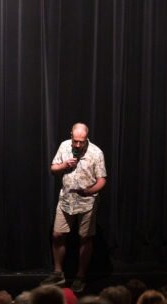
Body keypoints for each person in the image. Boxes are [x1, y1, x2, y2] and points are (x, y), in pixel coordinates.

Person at [41, 123, 106, 293]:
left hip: (87, 203)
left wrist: (89, 191)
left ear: (87, 138)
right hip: (66, 200)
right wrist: (64, 166)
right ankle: (58, 273)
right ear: (71, 135)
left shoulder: (96, 152)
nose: (77, 145)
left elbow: (102, 179)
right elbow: (53, 169)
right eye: (75, 141)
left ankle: (80, 276)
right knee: (57, 234)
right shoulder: (64, 146)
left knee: (85, 237)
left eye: (81, 142)